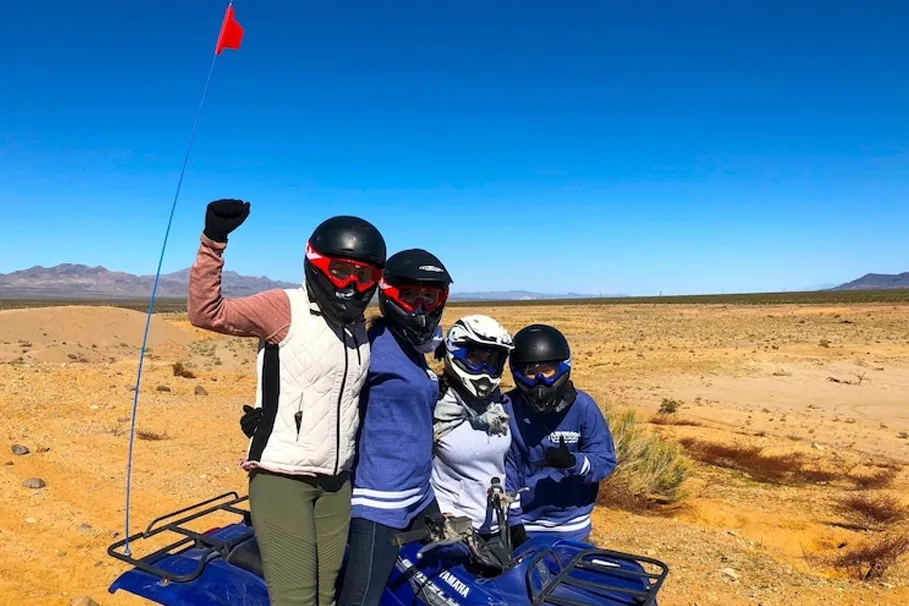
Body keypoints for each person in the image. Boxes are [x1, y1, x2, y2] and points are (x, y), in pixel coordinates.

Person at [188, 199, 386, 606]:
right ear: (316, 265)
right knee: (296, 599)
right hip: (282, 478)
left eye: (364, 274)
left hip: (336, 483)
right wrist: (214, 241)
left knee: (326, 595)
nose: (352, 283)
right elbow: (207, 313)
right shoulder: (285, 308)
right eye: (341, 270)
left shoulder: (358, 330)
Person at [337, 248, 453, 606]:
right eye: (410, 296)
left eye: (429, 297)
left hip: (420, 492)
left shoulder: (415, 347)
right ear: (389, 296)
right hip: (379, 500)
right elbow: (328, 388)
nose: (420, 306)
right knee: (362, 599)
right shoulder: (368, 347)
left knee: (442, 581)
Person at [504, 324, 617, 544]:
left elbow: (605, 460)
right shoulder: (508, 408)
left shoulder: (583, 407)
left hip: (571, 525)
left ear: (563, 368)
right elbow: (506, 468)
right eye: (530, 372)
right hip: (523, 524)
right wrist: (513, 520)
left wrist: (574, 462)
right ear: (517, 374)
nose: (539, 382)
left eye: (547, 371)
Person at [430, 314, 521, 543]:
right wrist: (439, 513)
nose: (483, 367)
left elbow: (506, 465)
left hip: (497, 524)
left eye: (491, 360)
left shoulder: (496, 405)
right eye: (474, 357)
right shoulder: (435, 404)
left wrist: (515, 516)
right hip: (452, 527)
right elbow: (413, 469)